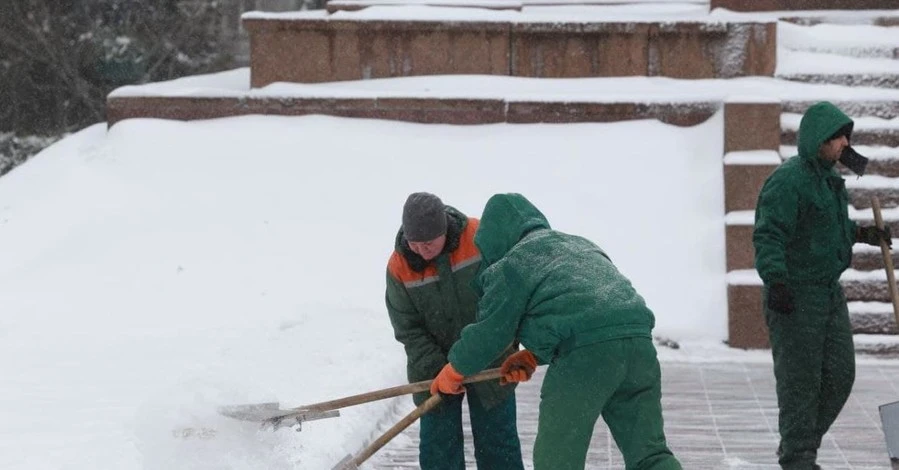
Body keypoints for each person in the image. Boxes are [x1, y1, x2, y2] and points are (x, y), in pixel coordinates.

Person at [430, 192, 682, 470]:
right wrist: (534, 356)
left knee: (558, 461)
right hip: (638, 346)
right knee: (649, 454)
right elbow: (581, 307)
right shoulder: (581, 246)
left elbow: (491, 332)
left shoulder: (515, 262)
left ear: (493, 240)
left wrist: (454, 370)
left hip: (586, 359)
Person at [753, 101, 891, 470]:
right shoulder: (789, 180)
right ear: (819, 141)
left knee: (841, 374)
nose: (846, 143)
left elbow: (826, 229)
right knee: (801, 382)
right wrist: (777, 281)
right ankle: (799, 457)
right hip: (795, 295)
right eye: (839, 137)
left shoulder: (831, 182)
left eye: (848, 136)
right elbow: (769, 235)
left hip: (828, 293)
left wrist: (862, 234)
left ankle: (799, 447)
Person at [385, 192, 524, 470]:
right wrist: (440, 368)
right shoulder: (399, 266)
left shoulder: (480, 238)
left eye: (428, 244)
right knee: (438, 448)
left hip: (489, 357)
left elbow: (506, 298)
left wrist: (492, 348)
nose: (421, 251)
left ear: (444, 228)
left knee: (498, 442)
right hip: (432, 370)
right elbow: (408, 329)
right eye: (414, 243)